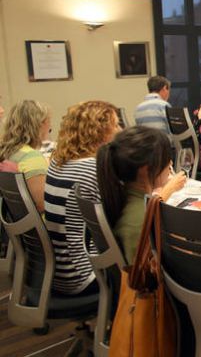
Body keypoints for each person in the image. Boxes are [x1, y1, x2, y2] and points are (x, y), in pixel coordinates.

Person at [45, 100, 120, 295]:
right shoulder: (92, 168)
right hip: (85, 274)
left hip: (57, 272)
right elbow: (118, 219)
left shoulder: (57, 161)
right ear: (100, 131)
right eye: (116, 125)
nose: (120, 130)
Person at [96, 126, 186, 264]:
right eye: (165, 159)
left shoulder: (123, 197)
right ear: (146, 169)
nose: (170, 164)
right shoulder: (142, 217)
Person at [0, 100, 51, 212]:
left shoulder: (7, 152)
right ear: (40, 125)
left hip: (16, 223)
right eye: (48, 123)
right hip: (41, 226)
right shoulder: (31, 158)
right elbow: (42, 206)